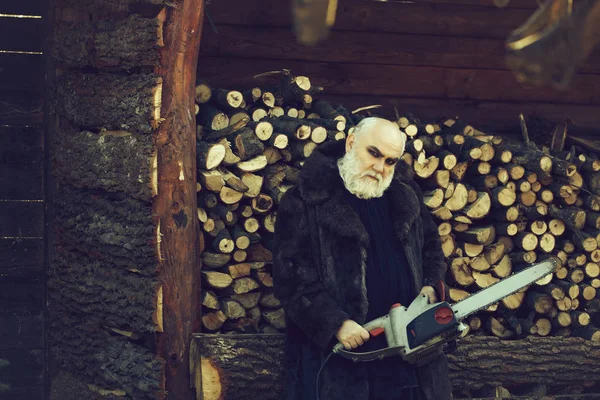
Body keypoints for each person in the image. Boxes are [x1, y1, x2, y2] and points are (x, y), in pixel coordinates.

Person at [272, 117, 453, 400]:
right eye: (374, 153)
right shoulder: (306, 200)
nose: (381, 168)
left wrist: (431, 285)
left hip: (412, 358)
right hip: (343, 366)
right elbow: (291, 276)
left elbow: (431, 247)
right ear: (351, 142)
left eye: (391, 161)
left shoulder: (406, 194)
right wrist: (335, 323)